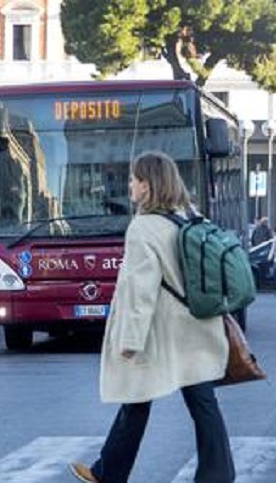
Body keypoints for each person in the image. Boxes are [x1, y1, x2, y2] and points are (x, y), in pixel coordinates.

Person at [69, 151, 235, 483]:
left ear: (147, 185)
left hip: (164, 332)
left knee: (136, 396)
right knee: (202, 403)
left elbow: (138, 290)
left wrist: (130, 339)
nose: (129, 185)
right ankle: (216, 474)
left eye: (133, 179)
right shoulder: (189, 218)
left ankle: (109, 474)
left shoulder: (143, 228)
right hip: (199, 325)